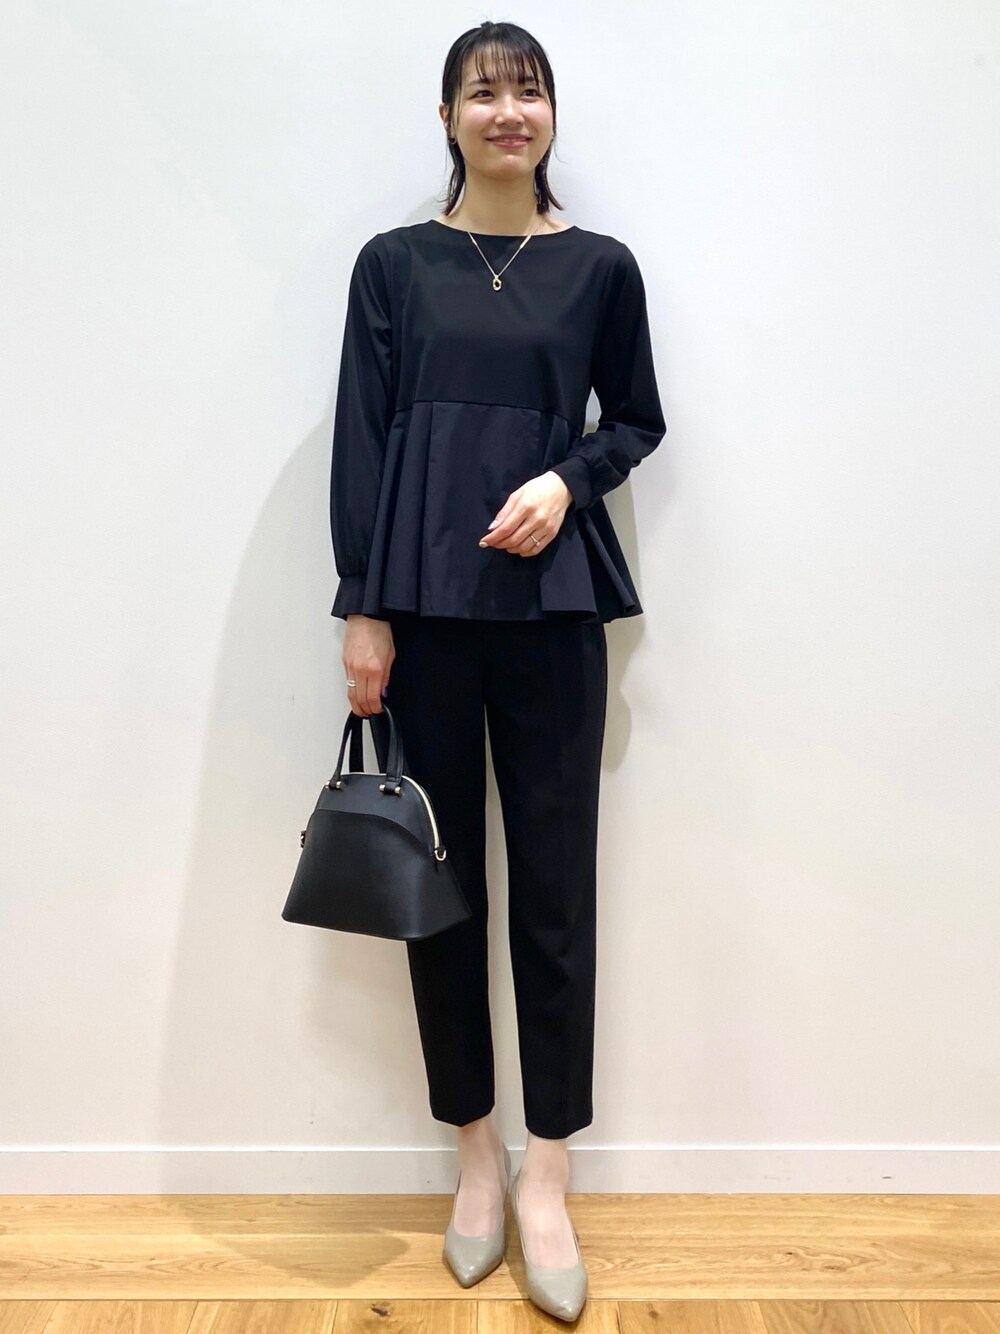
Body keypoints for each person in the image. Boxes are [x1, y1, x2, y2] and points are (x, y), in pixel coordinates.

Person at [328, 20, 666, 1323]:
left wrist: (565, 480)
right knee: (444, 890)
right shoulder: (394, 264)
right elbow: (364, 439)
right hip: (421, 614)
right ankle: (476, 1157)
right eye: (484, 91)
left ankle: (550, 1173)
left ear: (553, 114)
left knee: (557, 893)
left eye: (528, 90)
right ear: (449, 116)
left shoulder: (600, 268)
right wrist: (362, 609)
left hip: (551, 611)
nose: (508, 110)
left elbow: (634, 419)